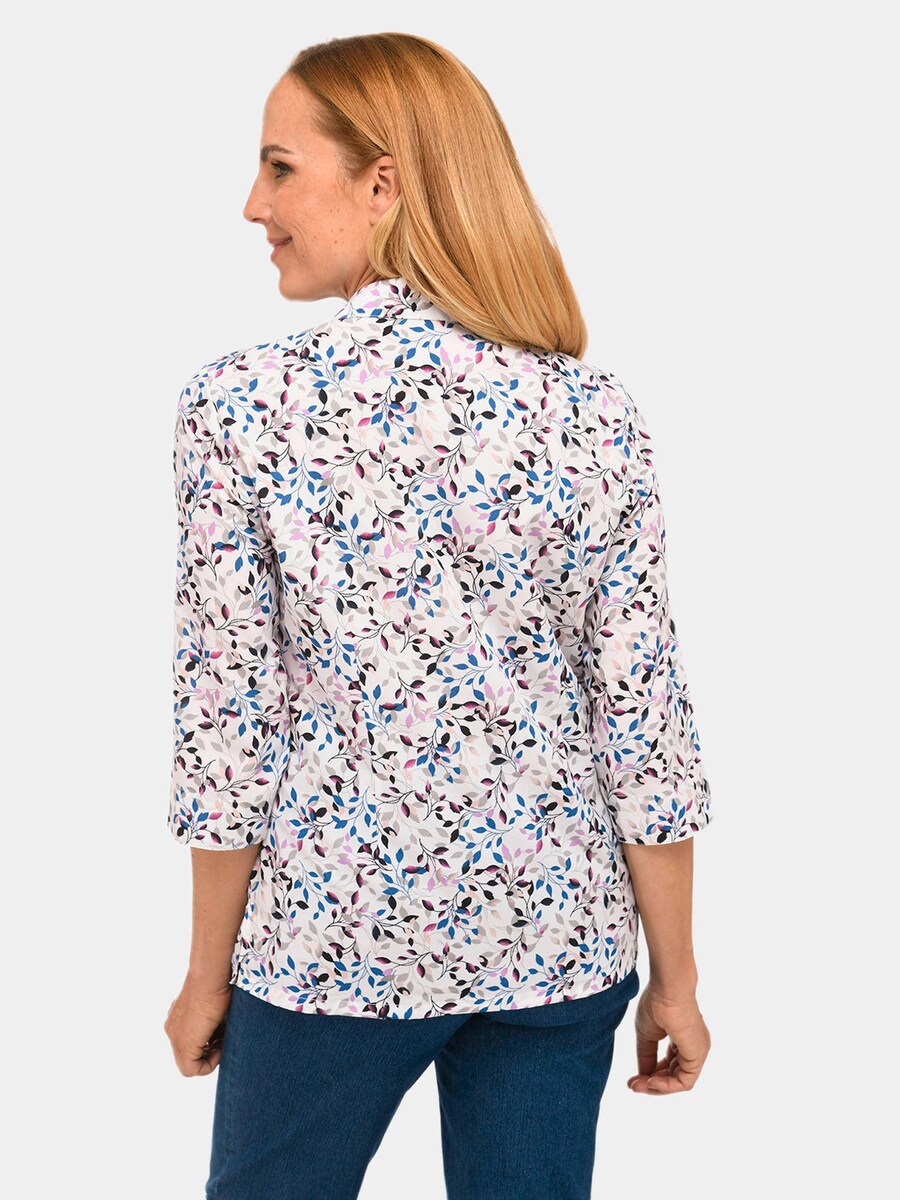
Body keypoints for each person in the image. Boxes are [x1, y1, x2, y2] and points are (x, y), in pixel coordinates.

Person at [163, 31, 714, 1200]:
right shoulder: (593, 412)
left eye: (279, 168)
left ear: (384, 182)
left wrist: (207, 973)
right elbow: (643, 720)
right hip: (556, 943)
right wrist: (677, 974)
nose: (252, 204)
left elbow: (228, 727)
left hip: (331, 946)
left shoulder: (244, 407)